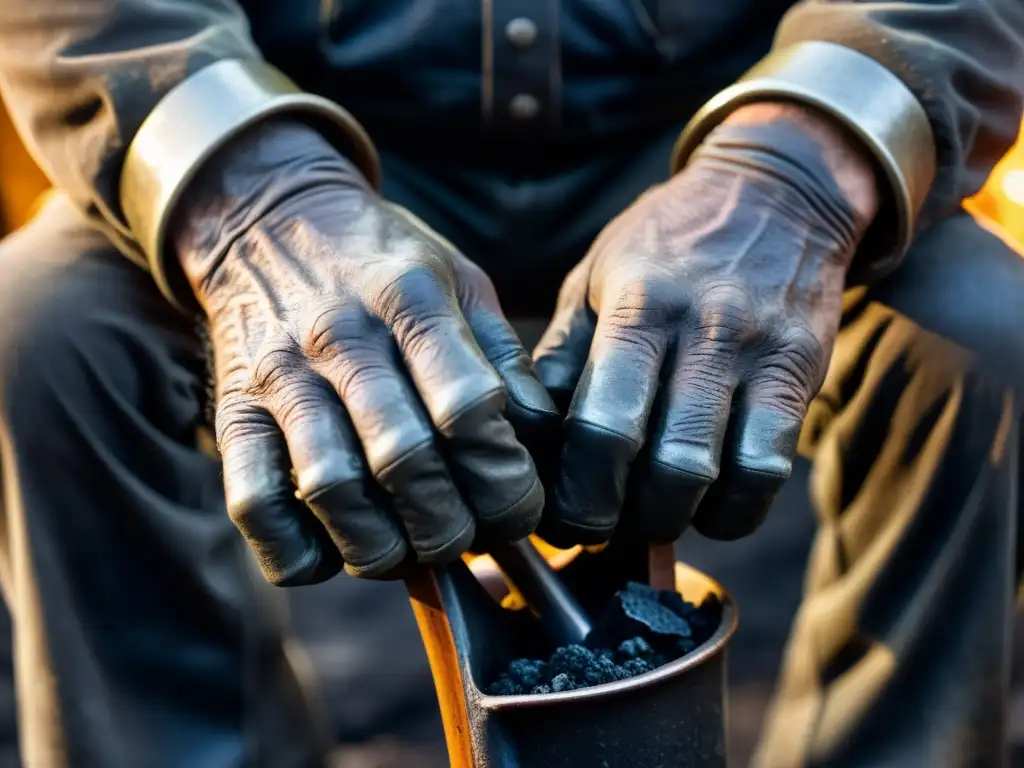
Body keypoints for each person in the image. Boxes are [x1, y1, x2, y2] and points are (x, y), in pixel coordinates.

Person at [0, 1, 1021, 766]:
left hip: (723, 152)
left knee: (980, 331)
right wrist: (256, 199)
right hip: (300, 152)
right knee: (46, 328)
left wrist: (799, 171)